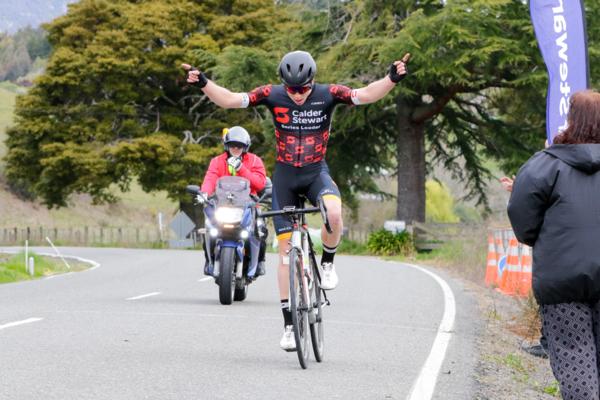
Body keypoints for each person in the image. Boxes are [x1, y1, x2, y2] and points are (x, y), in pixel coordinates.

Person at [183, 50, 410, 350]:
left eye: (302, 89)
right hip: (286, 178)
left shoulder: (329, 94)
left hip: (316, 173)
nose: (298, 94)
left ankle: (327, 264)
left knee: (333, 211)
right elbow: (229, 99)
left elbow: (366, 94)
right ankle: (290, 327)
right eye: (292, 90)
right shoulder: (272, 95)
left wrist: (391, 79)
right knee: (286, 255)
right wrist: (203, 82)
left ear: (312, 82)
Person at [508, 90, 600, 399]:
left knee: (575, 359)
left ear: (572, 119)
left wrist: (539, 239)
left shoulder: (545, 165)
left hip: (561, 280)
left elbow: (522, 217)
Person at [197, 126, 267, 277]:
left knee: (261, 228)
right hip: (222, 203)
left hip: (248, 203)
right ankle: (209, 260)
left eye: (239, 145)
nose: (236, 148)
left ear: (245, 147)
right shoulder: (217, 161)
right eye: (232, 145)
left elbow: (260, 183)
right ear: (226, 146)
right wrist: (204, 193)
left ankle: (260, 261)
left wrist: (242, 168)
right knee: (209, 228)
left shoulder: (255, 161)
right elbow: (210, 179)